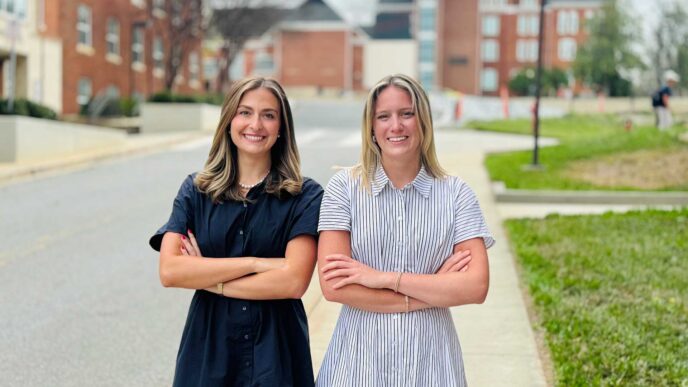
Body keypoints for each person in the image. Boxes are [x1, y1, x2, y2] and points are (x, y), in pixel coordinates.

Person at [316, 74, 495, 386]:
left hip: (432, 365)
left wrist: (381, 279)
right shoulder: (343, 189)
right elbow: (335, 287)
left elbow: (475, 287)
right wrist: (434, 291)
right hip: (358, 365)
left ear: (423, 120)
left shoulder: (456, 194)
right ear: (371, 127)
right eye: (383, 116)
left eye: (406, 114)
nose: (395, 126)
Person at [149, 77, 323, 386]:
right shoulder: (195, 191)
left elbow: (294, 281)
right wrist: (257, 264)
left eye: (268, 115)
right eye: (245, 112)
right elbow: (171, 271)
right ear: (229, 120)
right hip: (208, 350)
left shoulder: (304, 196)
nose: (255, 124)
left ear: (281, 126)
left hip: (277, 353)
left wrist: (209, 279)